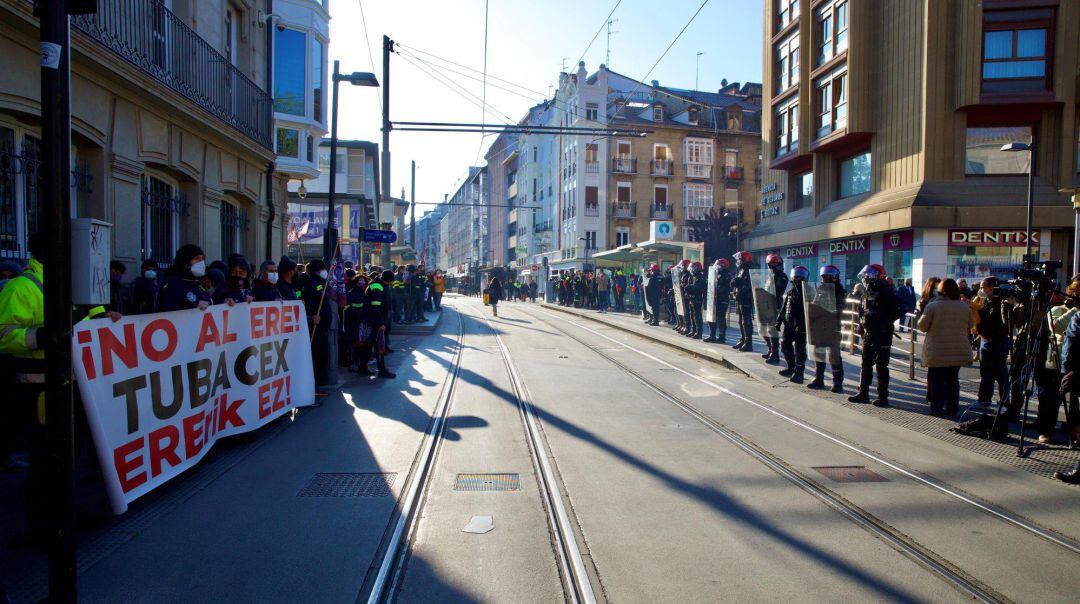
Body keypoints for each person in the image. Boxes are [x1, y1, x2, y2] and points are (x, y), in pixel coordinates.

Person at [918, 278, 975, 417]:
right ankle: (952, 407)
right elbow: (970, 325)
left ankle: (936, 408)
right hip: (958, 349)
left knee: (936, 379)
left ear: (941, 291)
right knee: (952, 380)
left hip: (937, 350)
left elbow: (922, 326)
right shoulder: (963, 307)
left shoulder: (933, 306)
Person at [850, 264, 902, 407]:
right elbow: (862, 309)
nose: (866, 278)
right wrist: (861, 324)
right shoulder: (867, 291)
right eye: (865, 275)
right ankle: (863, 393)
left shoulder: (887, 290)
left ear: (878, 276)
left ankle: (882, 397)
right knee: (866, 364)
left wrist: (886, 320)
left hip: (882, 333)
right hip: (868, 333)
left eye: (869, 275)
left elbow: (900, 308)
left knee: (881, 366)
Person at [971, 276, 1011, 410]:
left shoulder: (1000, 302)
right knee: (986, 374)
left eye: (983, 287)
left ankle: (1004, 401)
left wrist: (978, 309)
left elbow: (994, 322)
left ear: (991, 288)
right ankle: (984, 399)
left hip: (997, 342)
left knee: (1000, 373)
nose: (981, 290)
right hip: (985, 340)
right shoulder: (986, 301)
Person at [807, 265, 847, 393]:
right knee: (819, 352)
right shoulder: (820, 289)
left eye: (829, 276)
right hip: (820, 325)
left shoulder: (839, 290)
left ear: (835, 277)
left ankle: (837, 382)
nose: (827, 278)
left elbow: (841, 306)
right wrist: (811, 309)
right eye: (825, 276)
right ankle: (818, 378)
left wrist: (831, 311)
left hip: (833, 325)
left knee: (834, 355)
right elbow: (814, 302)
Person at [303, 259, 335, 388]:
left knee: (321, 354)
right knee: (317, 355)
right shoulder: (313, 282)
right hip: (316, 325)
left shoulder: (320, 281)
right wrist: (320, 292)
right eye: (323, 269)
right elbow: (313, 296)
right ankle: (317, 382)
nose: (324, 272)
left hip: (322, 324)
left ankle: (321, 380)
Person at [776, 265, 809, 383]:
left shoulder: (807, 292)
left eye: (800, 277)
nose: (797, 279)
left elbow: (810, 310)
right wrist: (779, 320)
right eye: (796, 276)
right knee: (785, 345)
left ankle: (799, 373)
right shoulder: (790, 291)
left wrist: (803, 324)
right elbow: (784, 307)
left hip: (801, 325)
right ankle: (791, 367)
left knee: (799, 350)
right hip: (789, 324)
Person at [158, 244, 212, 312]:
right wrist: (195, 308)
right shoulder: (173, 285)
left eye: (202, 259)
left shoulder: (199, 285)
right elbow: (167, 313)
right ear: (185, 262)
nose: (201, 263)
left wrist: (225, 305)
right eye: (196, 259)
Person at [364, 271, 395, 378]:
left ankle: (363, 367)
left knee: (371, 345)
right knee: (379, 346)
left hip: (376, 321)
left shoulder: (379, 284)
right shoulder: (377, 287)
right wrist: (381, 323)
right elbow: (376, 307)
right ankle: (381, 370)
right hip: (376, 322)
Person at [762, 253, 788, 365]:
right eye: (771, 264)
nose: (773, 266)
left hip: (776, 305)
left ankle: (775, 354)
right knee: (765, 330)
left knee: (773, 331)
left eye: (774, 263)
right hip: (767, 305)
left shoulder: (782, 276)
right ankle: (770, 349)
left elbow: (778, 290)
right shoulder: (770, 276)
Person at [731, 251, 755, 352]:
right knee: (741, 321)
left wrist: (738, 283)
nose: (738, 261)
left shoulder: (749, 270)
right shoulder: (742, 270)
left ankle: (748, 342)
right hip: (741, 298)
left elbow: (748, 286)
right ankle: (743, 339)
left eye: (739, 259)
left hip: (746, 299)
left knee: (746, 321)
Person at [705, 258, 732, 344]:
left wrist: (716, 289)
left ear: (723, 266)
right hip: (714, 299)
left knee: (720, 318)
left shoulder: (726, 275)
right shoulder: (715, 275)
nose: (716, 266)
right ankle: (712, 335)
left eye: (718, 265)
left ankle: (722, 336)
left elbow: (724, 288)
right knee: (711, 317)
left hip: (722, 300)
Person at [685, 262, 705, 339]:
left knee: (697, 316)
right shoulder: (693, 276)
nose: (692, 270)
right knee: (692, 315)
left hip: (698, 299)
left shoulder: (700, 277)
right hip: (692, 299)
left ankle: (699, 332)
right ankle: (694, 331)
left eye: (693, 268)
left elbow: (698, 288)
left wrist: (690, 287)